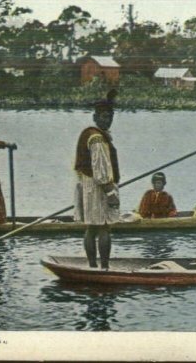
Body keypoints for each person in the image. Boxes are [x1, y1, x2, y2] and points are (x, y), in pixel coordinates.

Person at [73, 90, 120, 270]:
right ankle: (104, 268)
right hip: (99, 187)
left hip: (87, 185)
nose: (106, 120)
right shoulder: (97, 138)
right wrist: (110, 193)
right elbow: (100, 171)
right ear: (95, 117)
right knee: (104, 227)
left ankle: (93, 267)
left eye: (109, 117)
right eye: (103, 116)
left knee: (91, 227)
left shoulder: (89, 134)